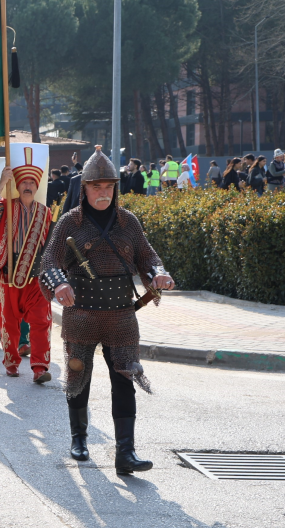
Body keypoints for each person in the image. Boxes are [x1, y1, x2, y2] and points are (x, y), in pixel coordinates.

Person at [39, 145, 175, 474]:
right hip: (81, 311)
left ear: (115, 188)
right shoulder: (70, 222)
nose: (103, 193)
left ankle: (125, 453)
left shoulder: (128, 222)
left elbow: (147, 256)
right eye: (96, 187)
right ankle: (79, 438)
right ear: (84, 189)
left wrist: (158, 273)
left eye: (108, 187)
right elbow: (49, 261)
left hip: (120, 314)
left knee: (125, 379)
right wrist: (59, 284)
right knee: (77, 376)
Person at [0, 146, 54, 383]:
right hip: (8, 276)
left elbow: (50, 246)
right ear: (17, 186)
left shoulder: (46, 212)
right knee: (9, 323)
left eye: (32, 182)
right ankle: (11, 362)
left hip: (35, 278)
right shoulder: (4, 207)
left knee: (42, 321)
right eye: (23, 182)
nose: (28, 185)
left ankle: (40, 366)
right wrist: (0, 183)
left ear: (37, 186)